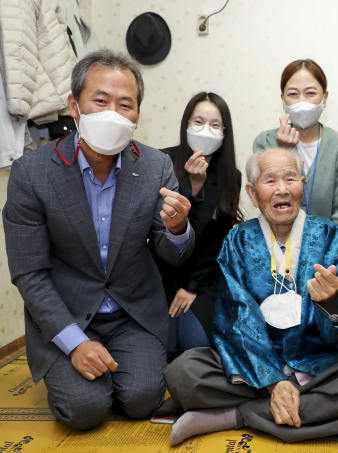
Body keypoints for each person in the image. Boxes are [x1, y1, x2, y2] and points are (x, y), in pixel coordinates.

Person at [2, 49, 196, 430]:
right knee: (85, 409)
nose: (113, 113)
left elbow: (172, 255)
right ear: (75, 105)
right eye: (101, 100)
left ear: (138, 114)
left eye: (126, 104)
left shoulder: (155, 166)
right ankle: (72, 368)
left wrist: (177, 230)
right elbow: (29, 273)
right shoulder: (32, 173)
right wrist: (75, 343)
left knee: (141, 400)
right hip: (67, 313)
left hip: (133, 313)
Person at [164, 148, 338, 446]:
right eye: (270, 181)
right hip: (251, 364)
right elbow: (236, 314)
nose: (282, 189)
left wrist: (331, 301)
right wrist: (273, 381)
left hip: (314, 363)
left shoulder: (328, 234)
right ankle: (293, 403)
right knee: (184, 371)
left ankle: (236, 415)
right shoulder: (238, 239)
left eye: (290, 178)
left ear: (302, 185)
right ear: (253, 193)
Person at [151, 92, 243, 360]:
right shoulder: (161, 161)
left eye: (215, 125)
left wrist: (192, 286)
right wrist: (192, 186)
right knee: (166, 347)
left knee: (194, 345)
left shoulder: (230, 176)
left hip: (203, 275)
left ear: (225, 132)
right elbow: (160, 229)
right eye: (198, 121)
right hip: (161, 273)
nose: (206, 130)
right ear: (186, 125)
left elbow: (218, 239)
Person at [253, 59, 338, 240]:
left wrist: (328, 258)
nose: (301, 101)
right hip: (275, 252)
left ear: (324, 98)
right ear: (283, 99)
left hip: (326, 259)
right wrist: (285, 153)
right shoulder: (266, 142)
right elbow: (268, 204)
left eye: (310, 93)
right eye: (293, 94)